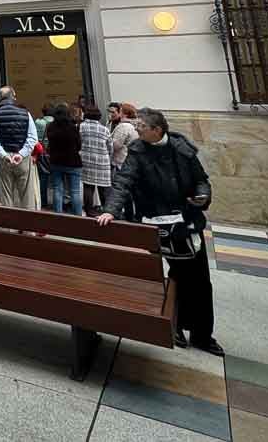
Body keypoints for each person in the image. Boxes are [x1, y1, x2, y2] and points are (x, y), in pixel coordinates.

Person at [99, 108, 222, 357]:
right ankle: (178, 325)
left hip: (186, 221)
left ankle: (200, 333)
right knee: (177, 274)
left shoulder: (181, 149)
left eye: (142, 125)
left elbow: (201, 180)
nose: (137, 128)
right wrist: (111, 210)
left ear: (157, 130)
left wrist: (202, 197)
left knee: (198, 278)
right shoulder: (137, 151)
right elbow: (124, 181)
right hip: (157, 222)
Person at [0, 86, 39, 211]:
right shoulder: (26, 114)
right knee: (27, 195)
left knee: (6, 196)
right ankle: (28, 229)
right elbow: (33, 138)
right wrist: (21, 154)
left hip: (3, 159)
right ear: (13, 97)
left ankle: (9, 227)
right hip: (23, 159)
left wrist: (3, 154)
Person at [46, 106, 84, 216]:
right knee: (75, 191)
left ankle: (58, 215)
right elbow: (79, 145)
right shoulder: (72, 127)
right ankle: (78, 215)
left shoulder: (51, 127)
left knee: (58, 189)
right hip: (73, 162)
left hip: (56, 162)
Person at [80, 104, 112, 214]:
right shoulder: (105, 130)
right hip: (103, 161)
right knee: (103, 188)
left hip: (86, 160)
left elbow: (78, 142)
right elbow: (110, 147)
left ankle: (89, 210)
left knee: (88, 186)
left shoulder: (81, 127)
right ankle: (106, 210)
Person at [111, 103, 140, 171]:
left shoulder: (124, 126)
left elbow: (115, 145)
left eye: (120, 111)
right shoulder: (134, 125)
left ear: (125, 114)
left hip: (121, 162)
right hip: (130, 160)